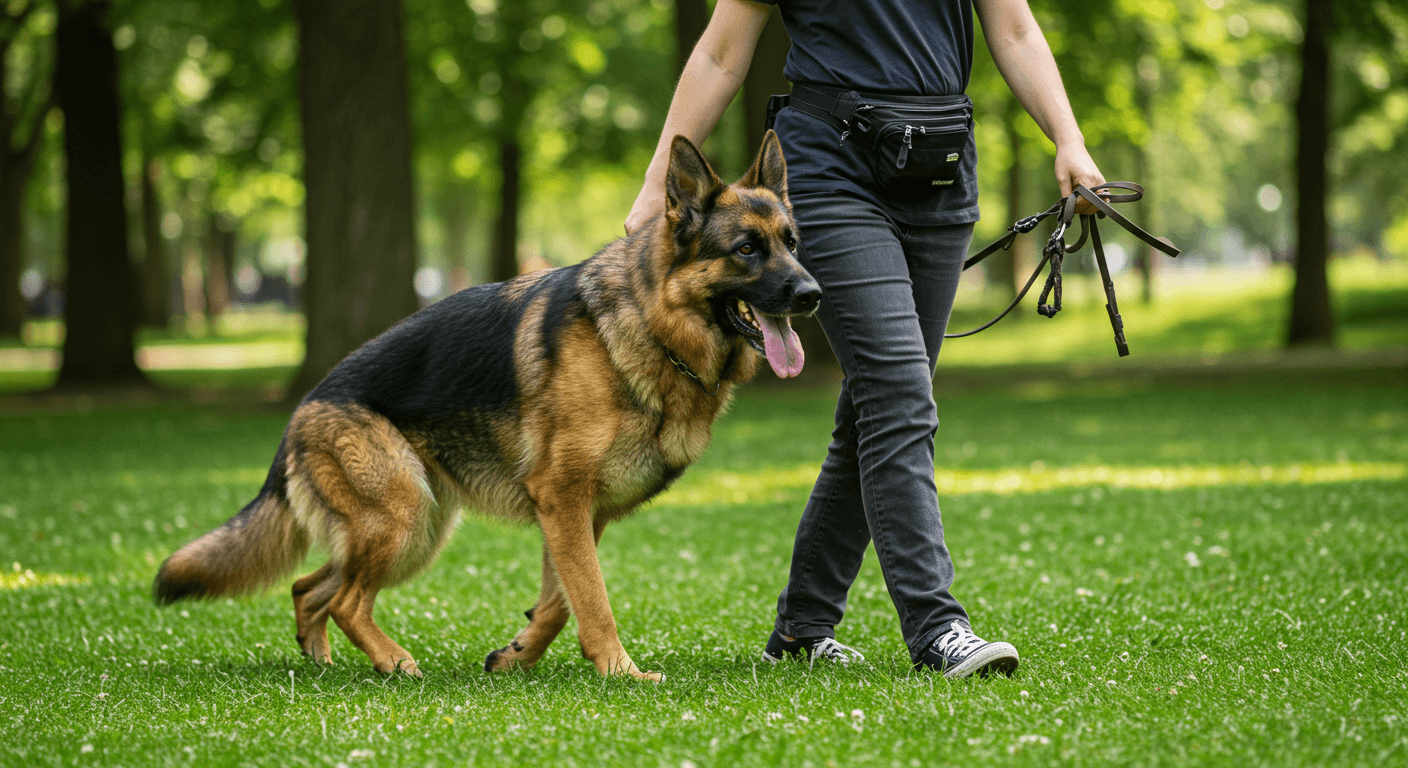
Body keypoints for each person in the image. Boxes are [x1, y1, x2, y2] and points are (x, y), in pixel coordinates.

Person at [625, 0, 1105, 678]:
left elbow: (1016, 28)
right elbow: (720, 52)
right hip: (831, 170)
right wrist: (657, 185)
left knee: (876, 410)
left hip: (941, 168)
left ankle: (802, 630)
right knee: (897, 396)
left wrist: (1068, 138)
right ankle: (938, 628)